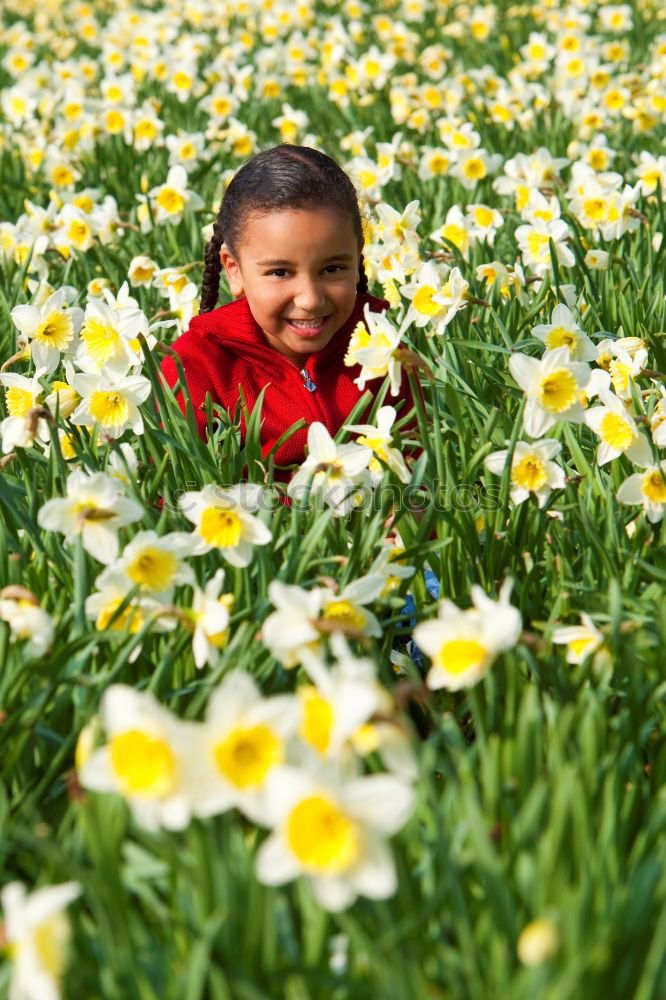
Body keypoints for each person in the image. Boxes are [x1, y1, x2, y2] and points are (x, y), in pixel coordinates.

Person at [160, 144, 412, 473]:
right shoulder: (194, 367)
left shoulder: (383, 348)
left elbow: (417, 464)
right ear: (234, 270)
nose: (310, 299)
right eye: (280, 272)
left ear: (358, 256)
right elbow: (173, 491)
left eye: (333, 269)